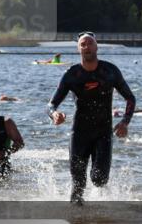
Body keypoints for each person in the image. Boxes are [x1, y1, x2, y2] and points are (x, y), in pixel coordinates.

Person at [48, 32, 136, 204]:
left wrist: (125, 121)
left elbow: (130, 98)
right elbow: (51, 105)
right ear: (78, 49)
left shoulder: (110, 71)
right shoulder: (71, 75)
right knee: (78, 184)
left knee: (99, 179)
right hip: (79, 133)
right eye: (83, 44)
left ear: (97, 47)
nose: (86, 47)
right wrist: (54, 115)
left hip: (103, 133)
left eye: (90, 43)